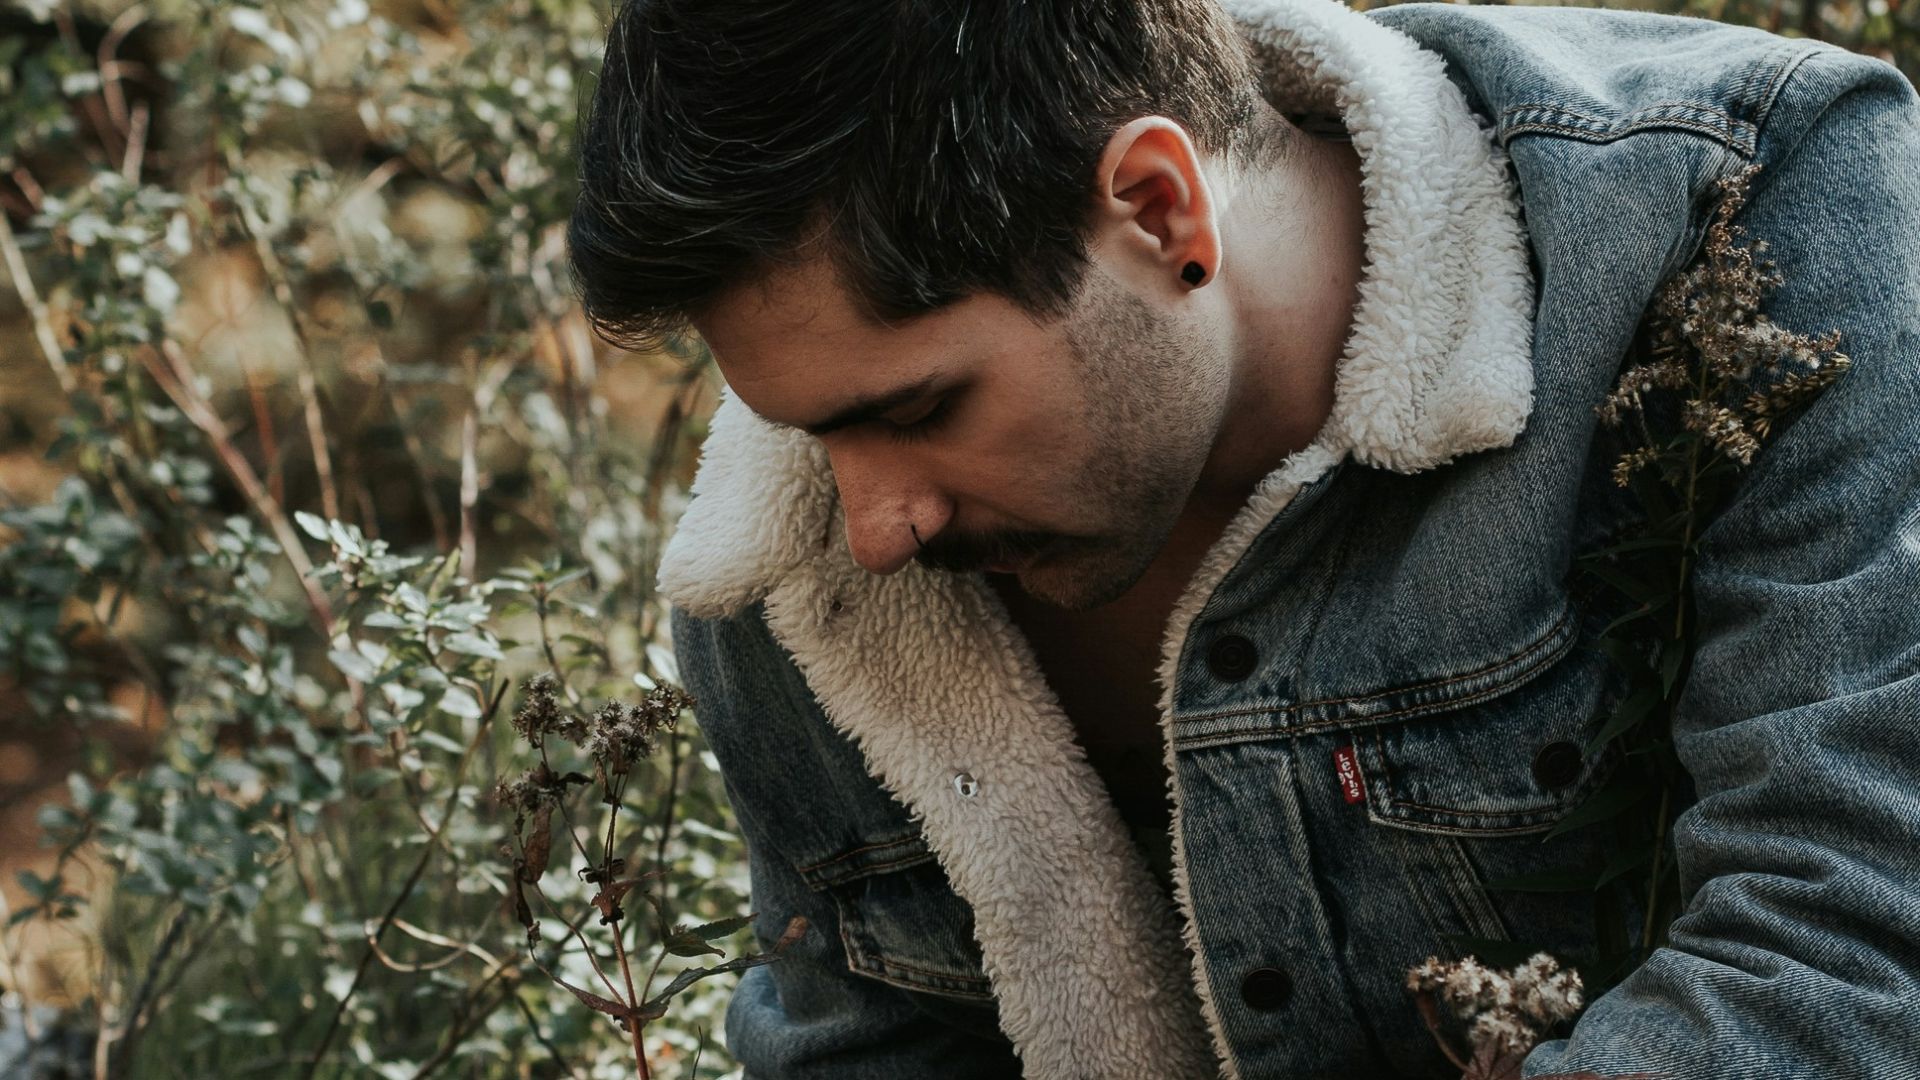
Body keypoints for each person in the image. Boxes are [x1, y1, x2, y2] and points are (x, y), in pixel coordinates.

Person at [566, 0, 1920, 1076]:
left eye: (922, 406)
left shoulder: (1746, 213)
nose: (871, 526)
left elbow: (1849, 957)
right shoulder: (783, 576)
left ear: (1159, 208)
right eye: (814, 432)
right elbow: (871, 1051)